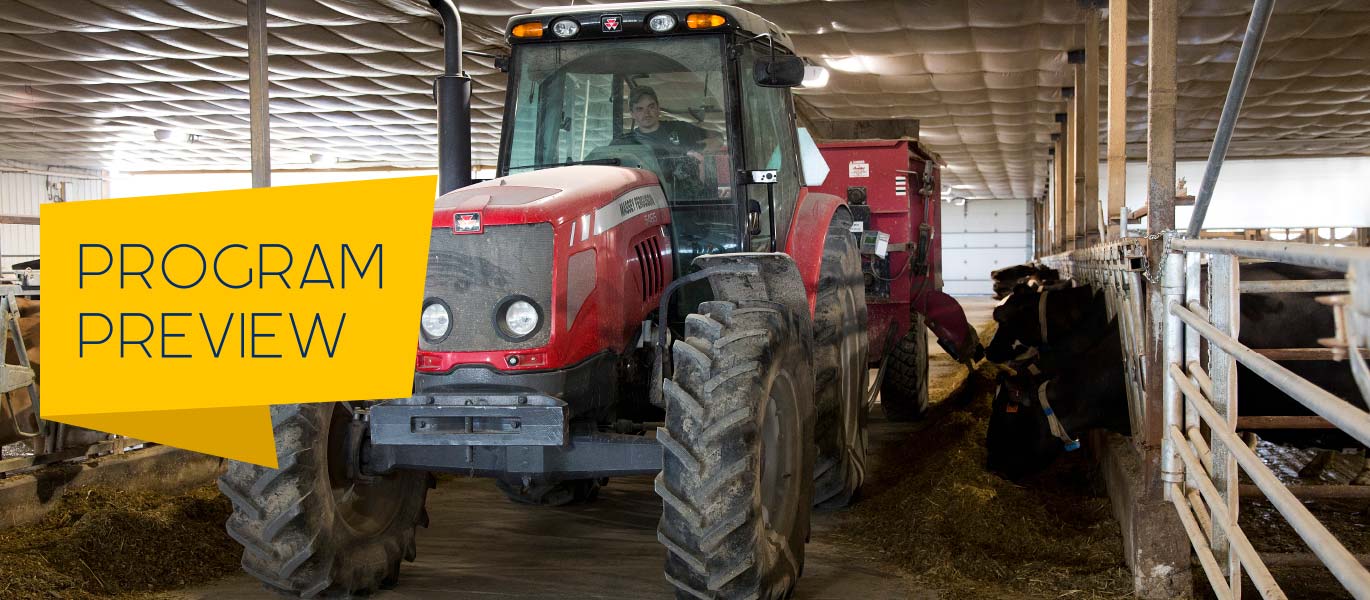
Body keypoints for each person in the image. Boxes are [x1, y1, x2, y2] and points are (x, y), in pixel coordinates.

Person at [625, 86, 723, 197]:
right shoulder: (627, 143)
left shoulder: (680, 129)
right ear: (632, 114)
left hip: (690, 202)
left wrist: (716, 141)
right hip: (651, 202)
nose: (646, 113)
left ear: (658, 108)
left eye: (651, 107)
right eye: (640, 109)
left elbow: (718, 136)